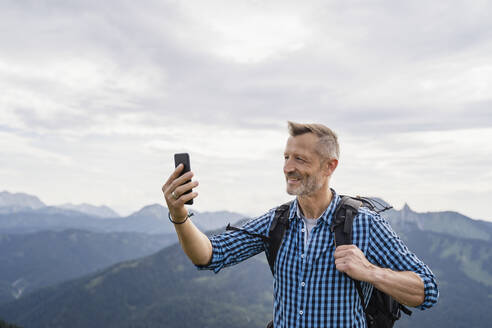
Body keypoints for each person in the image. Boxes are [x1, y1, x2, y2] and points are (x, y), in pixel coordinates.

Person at [162, 121, 439, 328]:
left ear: (330, 166)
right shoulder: (276, 222)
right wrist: (178, 214)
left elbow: (427, 290)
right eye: (286, 157)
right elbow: (210, 255)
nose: (288, 167)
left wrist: (370, 272)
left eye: (300, 159)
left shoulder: (365, 224)